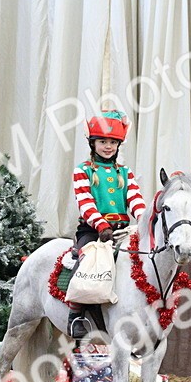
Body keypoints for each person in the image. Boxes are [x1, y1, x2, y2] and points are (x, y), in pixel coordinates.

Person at [67, 110, 147, 337]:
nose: (108, 146)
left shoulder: (125, 172)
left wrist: (144, 221)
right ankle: (76, 314)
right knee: (88, 262)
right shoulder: (82, 170)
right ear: (93, 143)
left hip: (123, 230)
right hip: (94, 230)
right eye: (103, 142)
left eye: (112, 142)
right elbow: (85, 202)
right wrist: (101, 225)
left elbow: (136, 200)